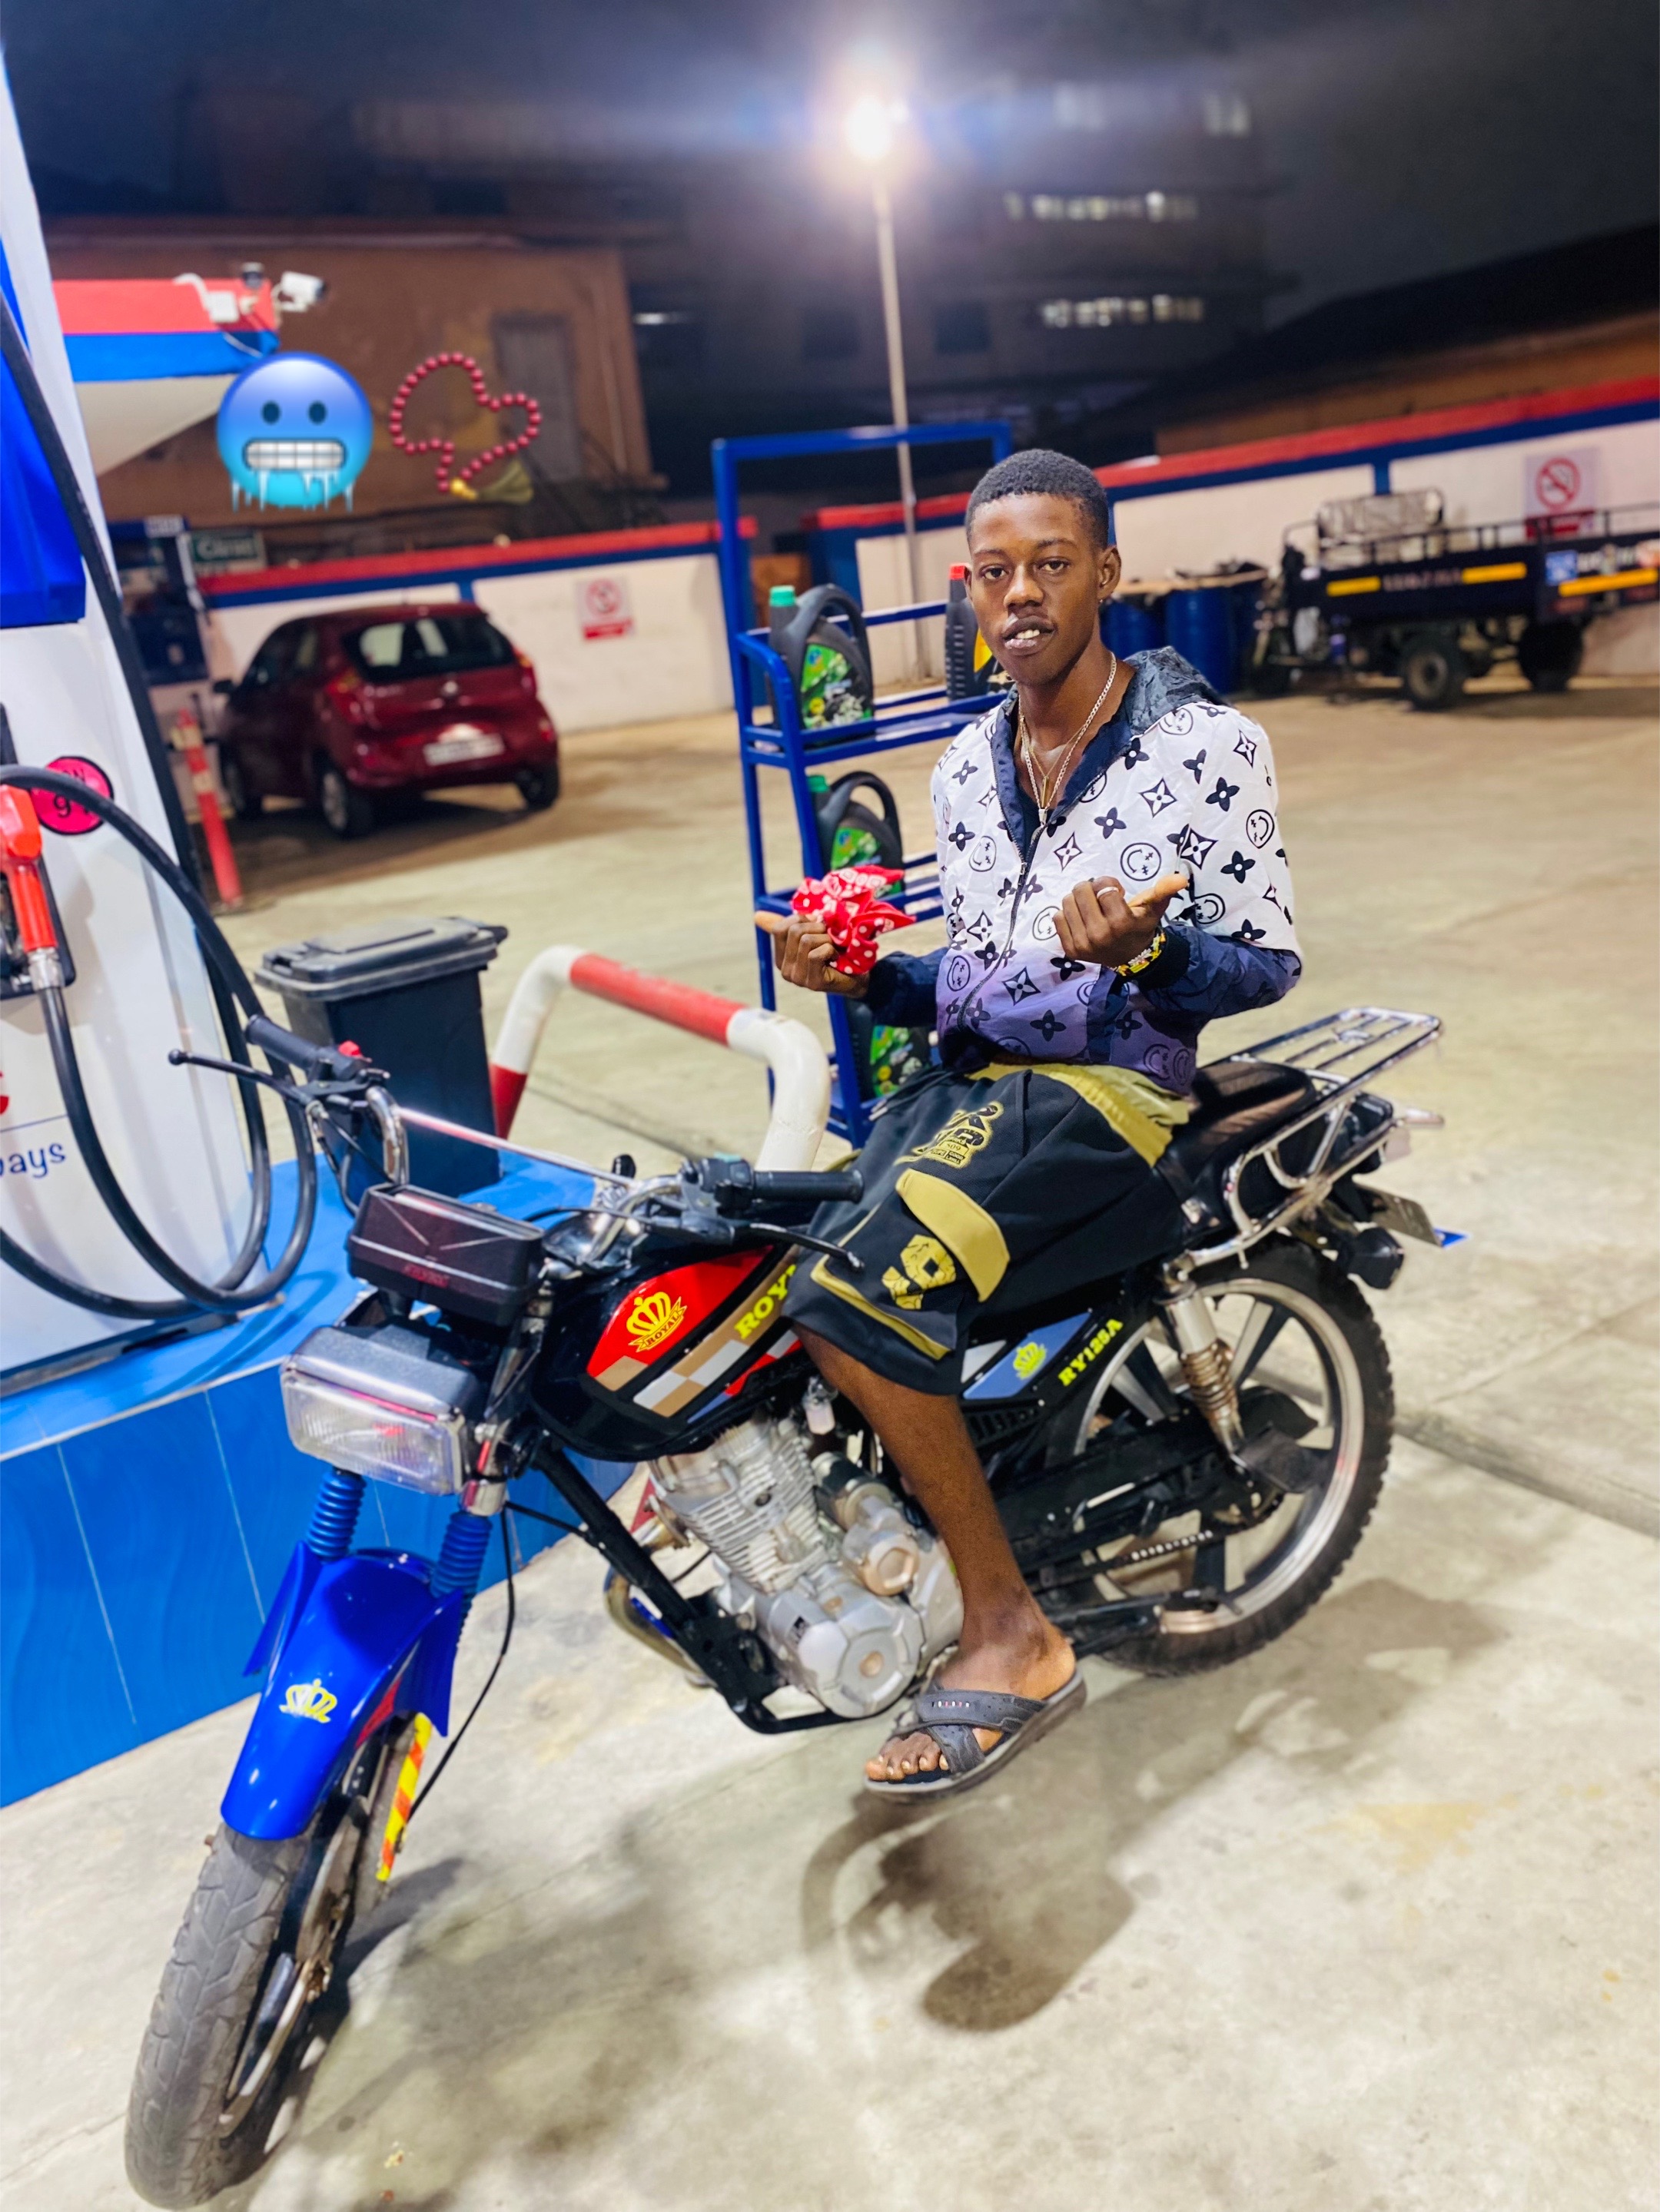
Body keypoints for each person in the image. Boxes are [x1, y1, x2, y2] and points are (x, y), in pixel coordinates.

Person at [758, 449, 1300, 1797]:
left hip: (1115, 1086)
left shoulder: (1207, 748)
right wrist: (865, 977)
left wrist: (1152, 953)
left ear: (1105, 573)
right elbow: (977, 972)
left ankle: (1013, 1633)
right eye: (993, 572)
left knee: (855, 1294)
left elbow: (1267, 964)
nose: (1020, 595)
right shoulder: (963, 765)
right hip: (975, 1081)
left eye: (1051, 565)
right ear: (968, 590)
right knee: (778, 1257)